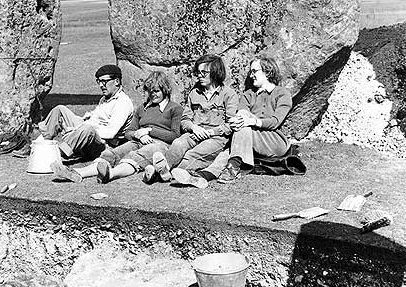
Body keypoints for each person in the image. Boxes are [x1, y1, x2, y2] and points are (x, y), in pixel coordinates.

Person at [50, 71, 183, 183]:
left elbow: (175, 135)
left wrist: (150, 131)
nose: (153, 94)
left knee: (134, 156)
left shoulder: (174, 108)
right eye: (150, 91)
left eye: (157, 91)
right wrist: (138, 135)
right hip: (137, 141)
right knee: (111, 154)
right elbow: (128, 132)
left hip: (159, 144)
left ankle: (110, 174)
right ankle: (77, 173)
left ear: (165, 90)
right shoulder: (142, 108)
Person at [143, 54, 239, 189]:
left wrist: (210, 132)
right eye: (197, 72)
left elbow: (230, 125)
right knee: (178, 143)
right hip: (195, 133)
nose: (199, 75)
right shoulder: (194, 93)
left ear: (216, 72)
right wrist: (194, 127)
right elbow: (185, 119)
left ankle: (164, 173)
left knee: (194, 154)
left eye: (204, 72)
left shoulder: (229, 95)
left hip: (216, 138)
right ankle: (165, 170)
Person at [210, 56, 292, 184]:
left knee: (243, 121)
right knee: (240, 123)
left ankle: (233, 168)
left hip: (275, 141)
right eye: (250, 72)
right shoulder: (248, 95)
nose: (251, 75)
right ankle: (206, 174)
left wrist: (252, 121)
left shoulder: (282, 94)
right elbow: (241, 117)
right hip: (250, 137)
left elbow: (275, 121)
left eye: (254, 71)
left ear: (268, 71)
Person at [32, 64, 133, 161]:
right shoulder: (105, 98)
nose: (101, 85)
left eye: (104, 81)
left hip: (104, 145)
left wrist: (78, 129)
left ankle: (54, 155)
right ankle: (39, 144)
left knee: (87, 129)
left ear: (117, 81)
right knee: (60, 109)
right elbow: (96, 118)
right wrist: (85, 120)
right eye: (99, 81)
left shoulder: (123, 102)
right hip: (88, 130)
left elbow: (110, 133)